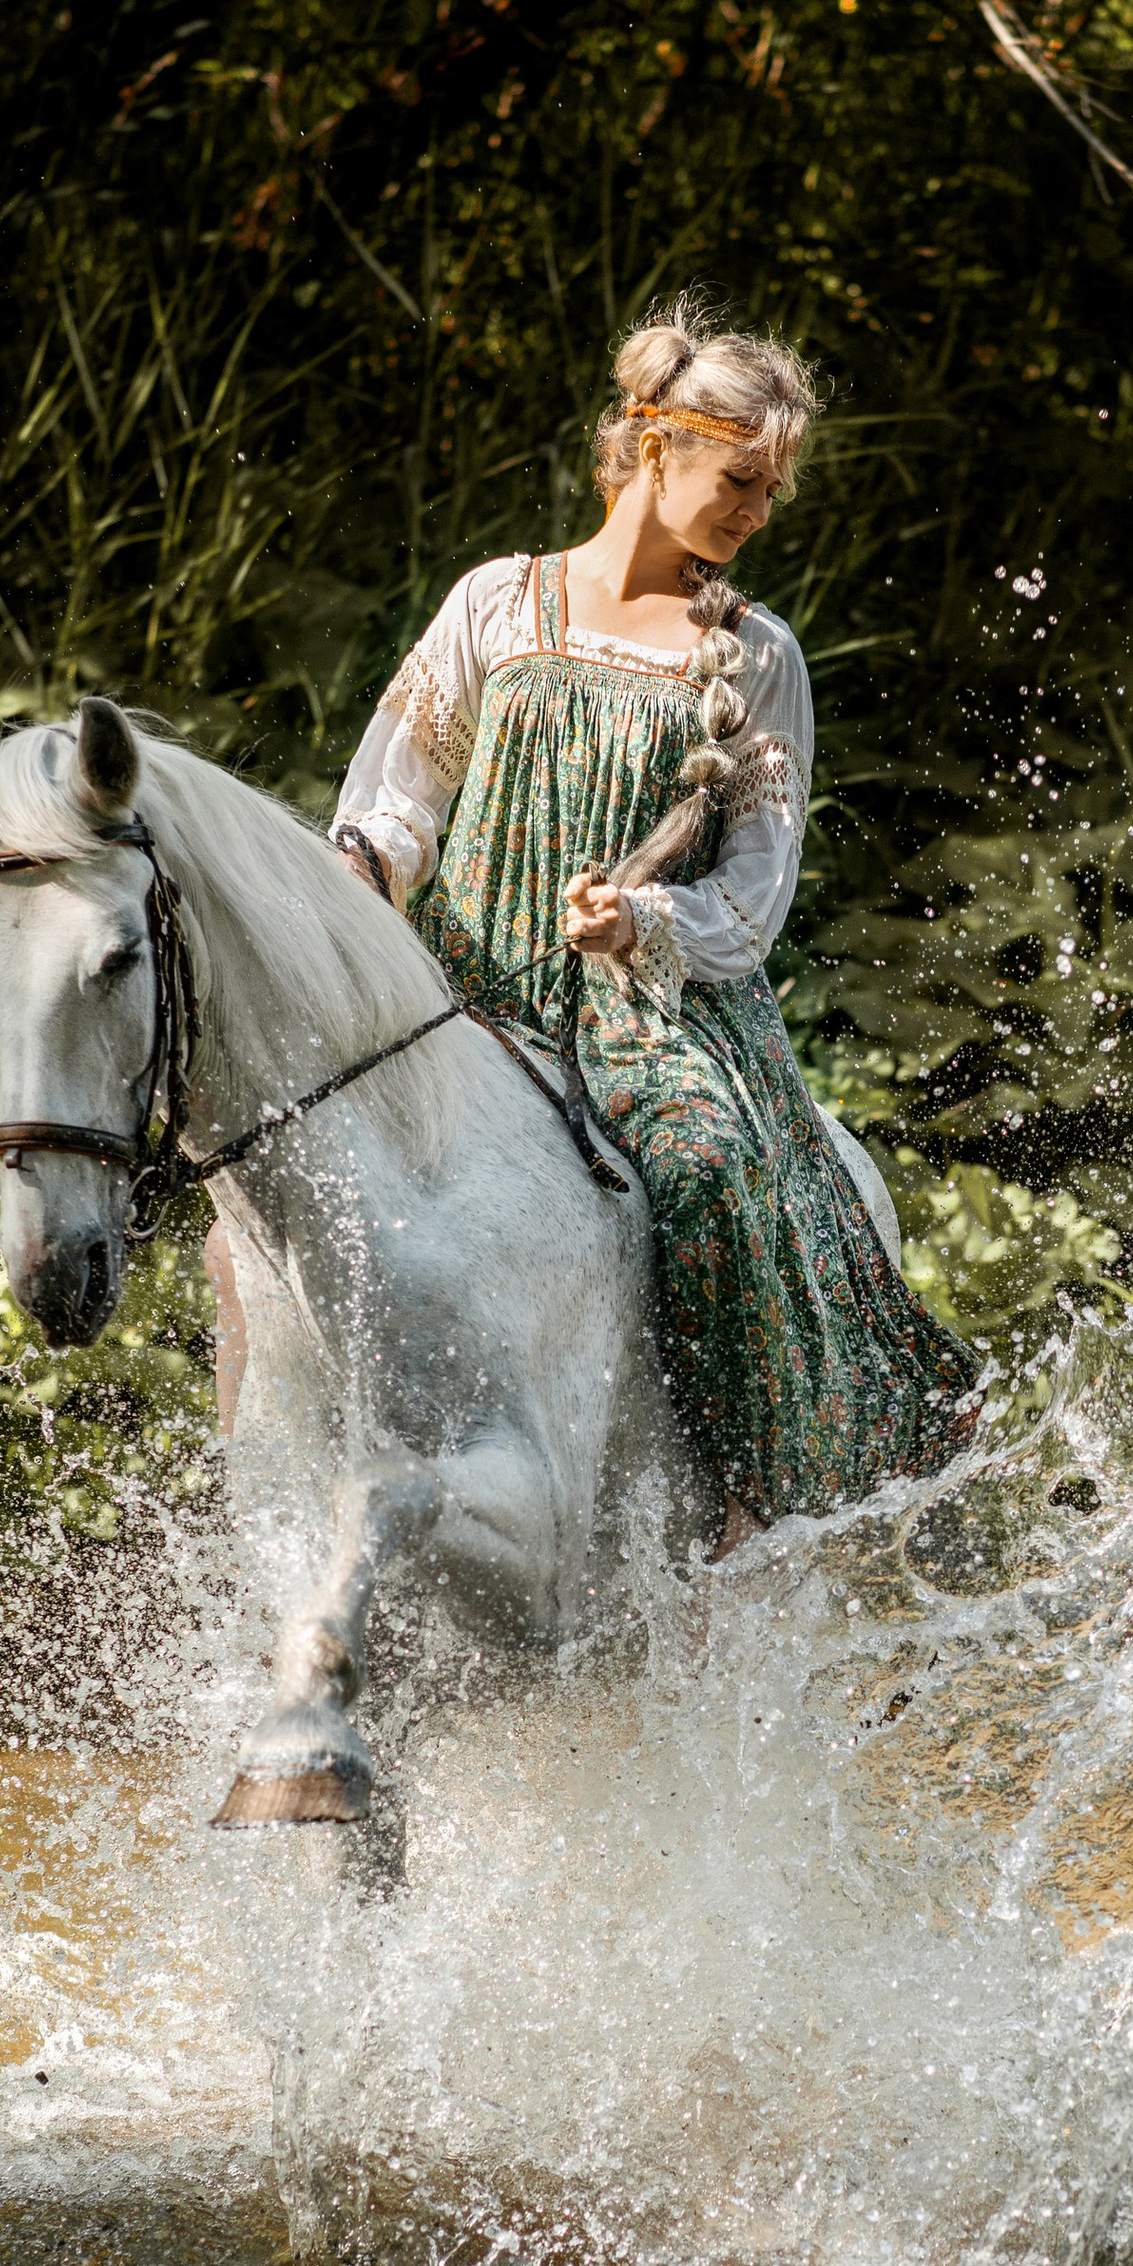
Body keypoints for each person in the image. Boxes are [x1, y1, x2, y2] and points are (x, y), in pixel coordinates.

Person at [308, 306, 979, 1560]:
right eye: (741, 479)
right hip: (463, 981)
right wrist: (363, 866)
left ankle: (738, 1493)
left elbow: (757, 894)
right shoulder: (496, 603)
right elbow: (402, 792)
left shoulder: (756, 655)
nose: (756, 513)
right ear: (656, 446)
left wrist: (644, 918)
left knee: (709, 1168)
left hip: (651, 1007)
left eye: (771, 492)